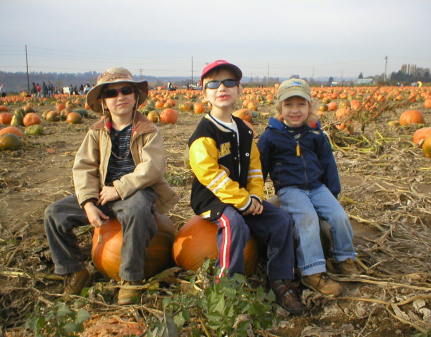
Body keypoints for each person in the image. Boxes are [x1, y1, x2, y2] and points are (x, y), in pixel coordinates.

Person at [44, 67, 178, 305]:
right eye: (112, 93)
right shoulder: (95, 132)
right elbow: (83, 167)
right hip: (102, 194)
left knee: (138, 211)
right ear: (104, 102)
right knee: (54, 213)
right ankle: (74, 268)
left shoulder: (149, 130)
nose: (120, 97)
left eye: (126, 90)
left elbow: (153, 167)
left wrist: (119, 188)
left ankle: (131, 277)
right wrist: (87, 202)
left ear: (135, 96)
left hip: (135, 192)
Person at [188, 60, 303, 314]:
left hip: (243, 197)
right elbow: (210, 176)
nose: (222, 88)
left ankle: (281, 280)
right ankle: (227, 287)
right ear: (204, 93)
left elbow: (254, 168)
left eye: (229, 82)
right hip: (212, 201)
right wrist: (242, 202)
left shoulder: (244, 130)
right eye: (214, 84)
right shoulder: (203, 134)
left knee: (281, 220)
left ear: (239, 89)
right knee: (234, 224)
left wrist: (255, 197)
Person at [258, 79, 360, 297]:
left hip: (317, 186)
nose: (295, 111)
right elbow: (260, 167)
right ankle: (312, 272)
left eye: (300, 105)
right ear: (280, 108)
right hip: (290, 189)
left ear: (309, 107)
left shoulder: (316, 134)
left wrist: (332, 193)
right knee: (307, 219)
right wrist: (255, 196)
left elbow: (328, 164)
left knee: (338, 215)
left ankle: (344, 257)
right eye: (289, 105)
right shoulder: (270, 136)